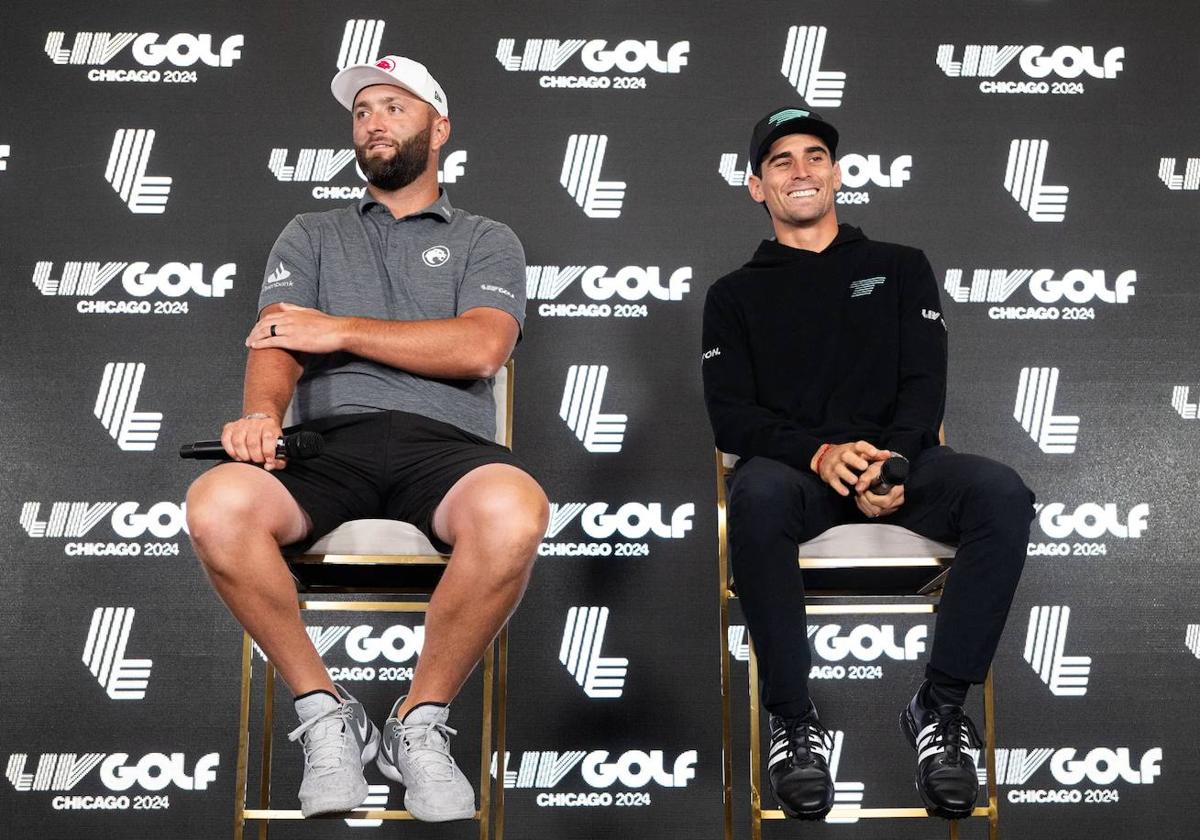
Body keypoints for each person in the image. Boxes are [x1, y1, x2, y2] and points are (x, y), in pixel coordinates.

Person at [185, 55, 548, 822]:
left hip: (443, 445)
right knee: (217, 503)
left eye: (395, 106)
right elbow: (278, 339)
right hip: (327, 444)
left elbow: (478, 349)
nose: (375, 121)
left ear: (438, 127)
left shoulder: (488, 238)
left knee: (515, 510)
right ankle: (325, 712)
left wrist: (339, 328)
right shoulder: (310, 232)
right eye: (363, 111)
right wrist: (260, 415)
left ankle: (418, 724)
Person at [701, 103, 1034, 821]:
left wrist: (893, 466)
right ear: (757, 187)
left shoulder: (900, 267)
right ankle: (794, 724)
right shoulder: (733, 295)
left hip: (902, 464)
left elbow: (924, 387)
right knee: (751, 496)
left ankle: (940, 710)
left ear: (838, 174)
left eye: (815, 156)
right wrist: (819, 454)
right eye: (781, 160)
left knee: (1002, 493)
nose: (801, 170)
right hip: (795, 476)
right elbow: (733, 417)